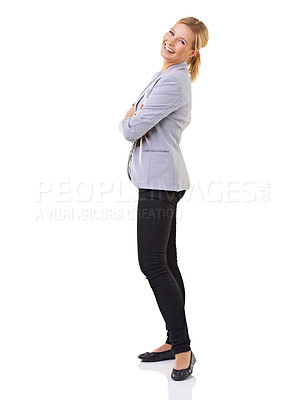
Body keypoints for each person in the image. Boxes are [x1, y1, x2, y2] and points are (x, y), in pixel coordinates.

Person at [119, 17, 209, 381]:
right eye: (171, 33)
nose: (171, 41)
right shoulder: (167, 74)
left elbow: (131, 128)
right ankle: (175, 341)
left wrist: (130, 116)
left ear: (191, 52)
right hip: (160, 181)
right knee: (166, 264)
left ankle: (183, 348)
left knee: (152, 264)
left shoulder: (174, 81)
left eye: (182, 40)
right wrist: (134, 115)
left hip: (161, 184)